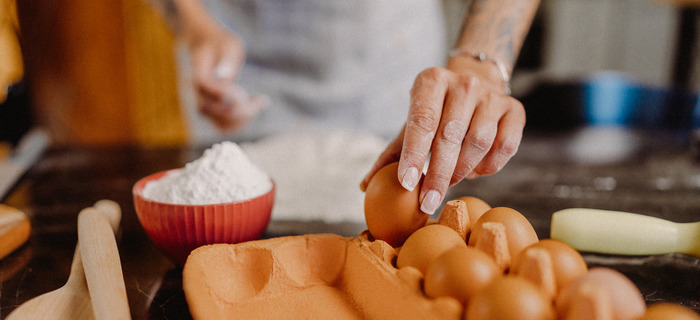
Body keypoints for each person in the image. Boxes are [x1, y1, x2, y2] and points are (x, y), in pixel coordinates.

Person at [174, 0, 541, 215]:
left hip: (388, 67)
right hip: (242, 60)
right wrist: (197, 25)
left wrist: (480, 64)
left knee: (409, 190)